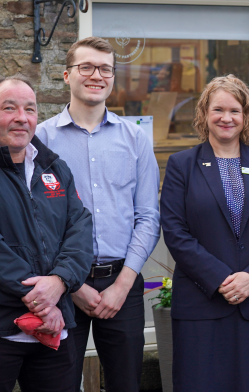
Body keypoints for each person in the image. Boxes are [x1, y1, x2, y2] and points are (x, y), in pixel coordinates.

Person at [36, 37, 160, 392]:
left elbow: (148, 216)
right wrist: (72, 286)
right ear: (66, 75)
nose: (97, 75)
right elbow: (35, 221)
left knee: (126, 383)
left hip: (123, 282)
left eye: (105, 69)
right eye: (86, 67)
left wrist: (123, 285)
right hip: (61, 286)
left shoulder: (134, 139)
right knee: (58, 382)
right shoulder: (41, 140)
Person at [159, 75, 249, 392]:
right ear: (204, 114)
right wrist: (219, 277)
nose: (226, 118)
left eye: (235, 110)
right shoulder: (181, 165)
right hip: (201, 305)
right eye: (218, 109)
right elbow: (175, 230)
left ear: (246, 115)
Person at [0, 75, 93, 392]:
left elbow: (80, 228)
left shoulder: (55, 168)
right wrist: (39, 297)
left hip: (53, 333)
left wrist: (59, 282)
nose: (21, 118)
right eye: (9, 108)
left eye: (29, 109)